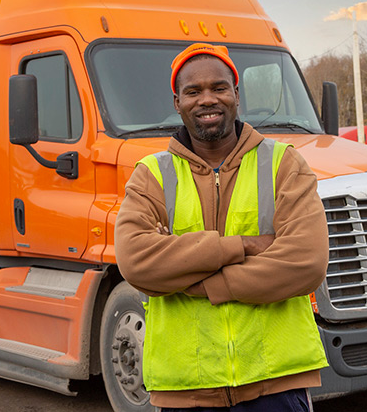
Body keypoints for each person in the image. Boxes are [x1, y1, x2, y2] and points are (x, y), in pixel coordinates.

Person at [114, 42, 329, 411]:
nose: (207, 99)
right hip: (186, 389)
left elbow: (306, 262)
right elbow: (137, 262)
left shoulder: (283, 163)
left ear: (236, 95)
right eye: (193, 91)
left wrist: (204, 282)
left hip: (276, 384)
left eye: (219, 88)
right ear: (177, 102)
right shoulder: (151, 175)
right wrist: (242, 245)